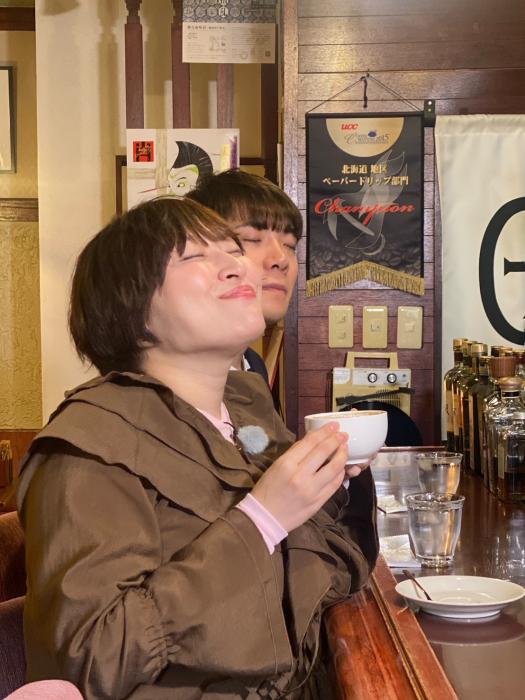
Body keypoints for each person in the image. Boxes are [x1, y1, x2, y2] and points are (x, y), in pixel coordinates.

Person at [17, 197, 378, 699]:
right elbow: (90, 658)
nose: (239, 266)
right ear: (132, 306)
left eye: (233, 251)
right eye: (196, 256)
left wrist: (334, 478)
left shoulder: (246, 409)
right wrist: (262, 519)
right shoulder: (89, 444)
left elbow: (315, 573)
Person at [187, 169, 301, 380]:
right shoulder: (166, 384)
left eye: (290, 245)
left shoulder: (253, 365)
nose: (281, 259)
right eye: (252, 239)